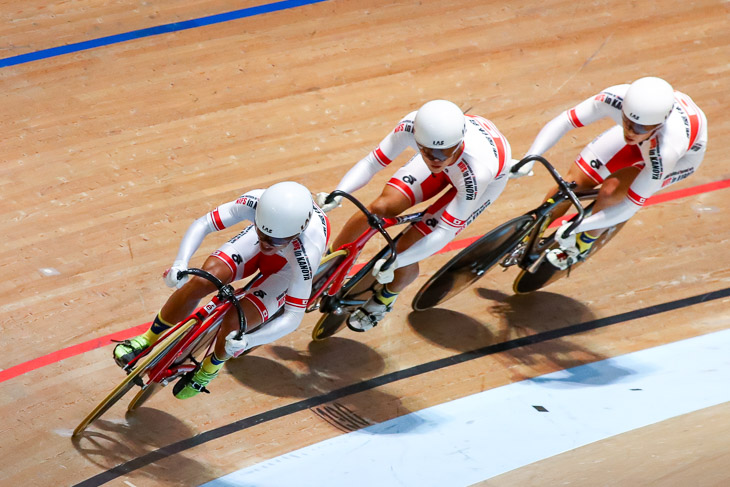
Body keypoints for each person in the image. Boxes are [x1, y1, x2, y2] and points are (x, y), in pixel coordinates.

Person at [113, 181, 329, 399]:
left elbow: (293, 317)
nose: (265, 243)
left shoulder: (307, 252)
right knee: (199, 282)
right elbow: (204, 223)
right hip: (258, 245)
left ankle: (211, 367)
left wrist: (248, 341)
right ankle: (148, 338)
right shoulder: (255, 203)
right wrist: (180, 263)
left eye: (274, 240)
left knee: (237, 323)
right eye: (262, 233)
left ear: (295, 234)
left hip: (286, 271)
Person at [316, 99, 512, 331]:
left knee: (406, 247)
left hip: (480, 177)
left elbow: (444, 233)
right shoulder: (411, 125)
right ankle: (330, 264)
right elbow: (372, 163)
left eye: (443, 152)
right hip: (457, 163)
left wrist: (397, 261)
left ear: (458, 143)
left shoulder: (477, 173)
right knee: (380, 208)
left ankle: (387, 296)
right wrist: (339, 192)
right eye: (427, 152)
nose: (435, 159)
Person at [512, 76, 708, 270]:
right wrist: (528, 159)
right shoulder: (615, 98)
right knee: (572, 184)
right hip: (648, 140)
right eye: (627, 121)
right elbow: (565, 121)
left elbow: (630, 206)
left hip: (680, 160)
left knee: (611, 191)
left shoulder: (666, 150)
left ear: (658, 125)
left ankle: (583, 244)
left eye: (639, 127)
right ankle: (532, 230)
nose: (631, 131)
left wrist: (579, 227)